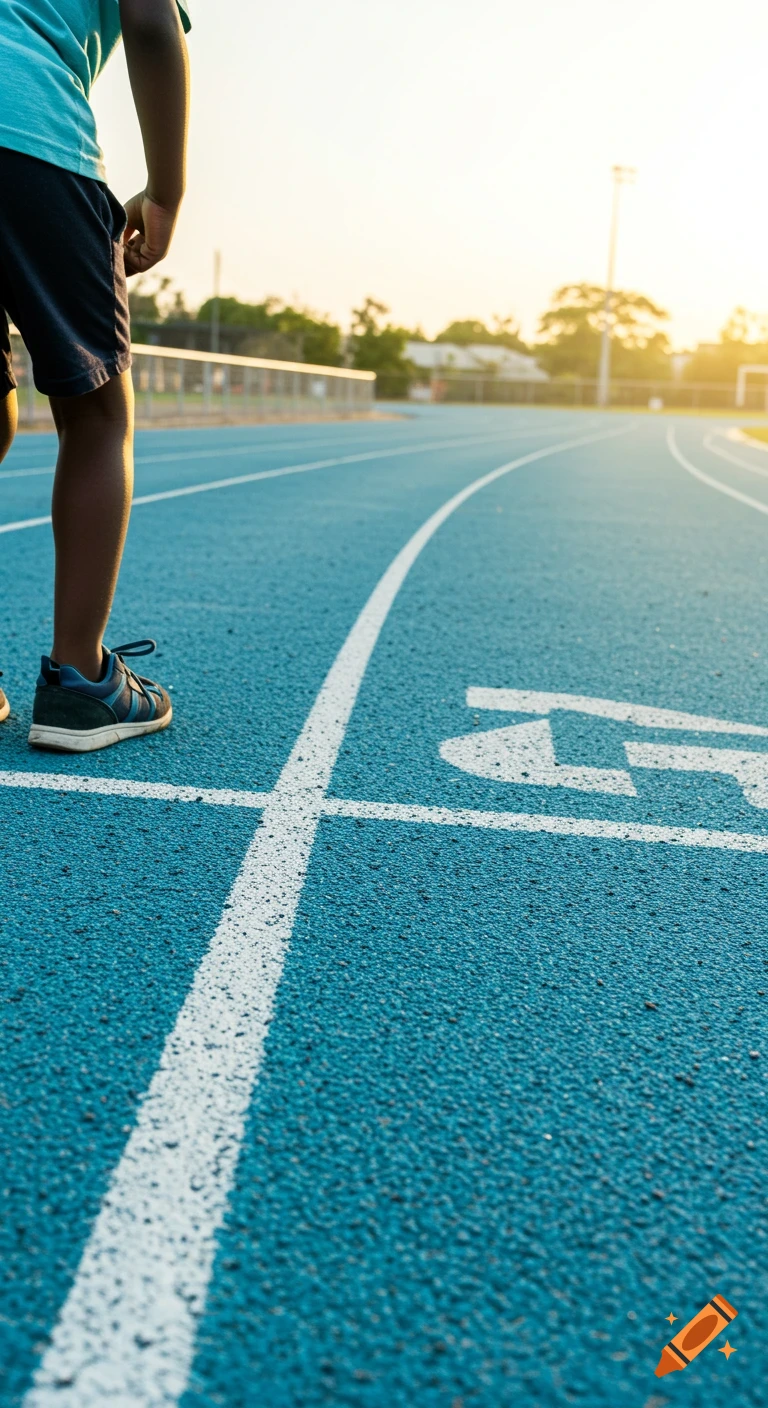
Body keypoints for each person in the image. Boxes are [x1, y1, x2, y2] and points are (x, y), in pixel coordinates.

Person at [0, 0, 190, 752]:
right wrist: (167, 191)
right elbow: (149, 20)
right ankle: (81, 681)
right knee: (98, 415)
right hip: (32, 136)